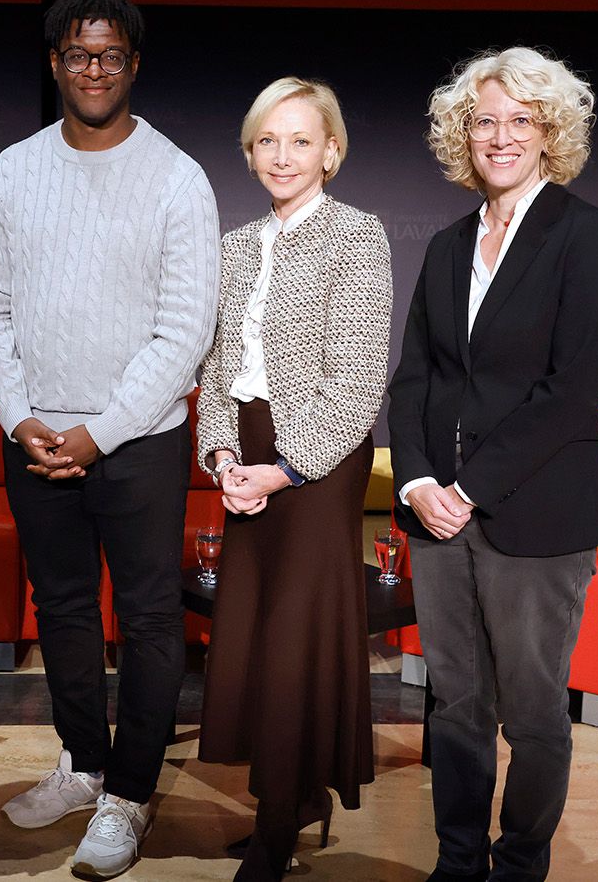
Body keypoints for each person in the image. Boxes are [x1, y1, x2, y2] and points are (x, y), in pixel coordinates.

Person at [0, 0, 220, 879]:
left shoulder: (177, 177)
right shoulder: (14, 170)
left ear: (133, 65)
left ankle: (130, 793)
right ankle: (83, 763)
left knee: (150, 618)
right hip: (35, 435)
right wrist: (21, 415)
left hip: (140, 441)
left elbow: (186, 327)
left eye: (111, 55)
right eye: (78, 55)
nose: (94, 70)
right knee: (64, 609)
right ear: (56, 64)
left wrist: (100, 432)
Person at [388, 47, 598, 882]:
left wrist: (468, 488)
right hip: (438, 517)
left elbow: (571, 395)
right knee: (455, 706)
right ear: (464, 133)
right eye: (484, 119)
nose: (500, 136)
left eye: (520, 120)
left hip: (536, 515)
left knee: (533, 716)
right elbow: (414, 374)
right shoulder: (449, 245)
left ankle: (520, 861)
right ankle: (457, 860)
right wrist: (419, 483)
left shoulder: (588, 234)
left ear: (550, 132)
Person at [194, 77, 392, 881]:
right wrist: (221, 461)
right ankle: (289, 792)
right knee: (253, 629)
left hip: (316, 460)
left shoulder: (358, 236)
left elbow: (355, 383)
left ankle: (280, 821)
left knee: (295, 639)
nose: (283, 155)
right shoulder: (235, 244)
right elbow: (213, 369)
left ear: (331, 152)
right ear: (249, 152)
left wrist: (277, 470)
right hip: (244, 453)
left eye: (301, 140)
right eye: (268, 140)